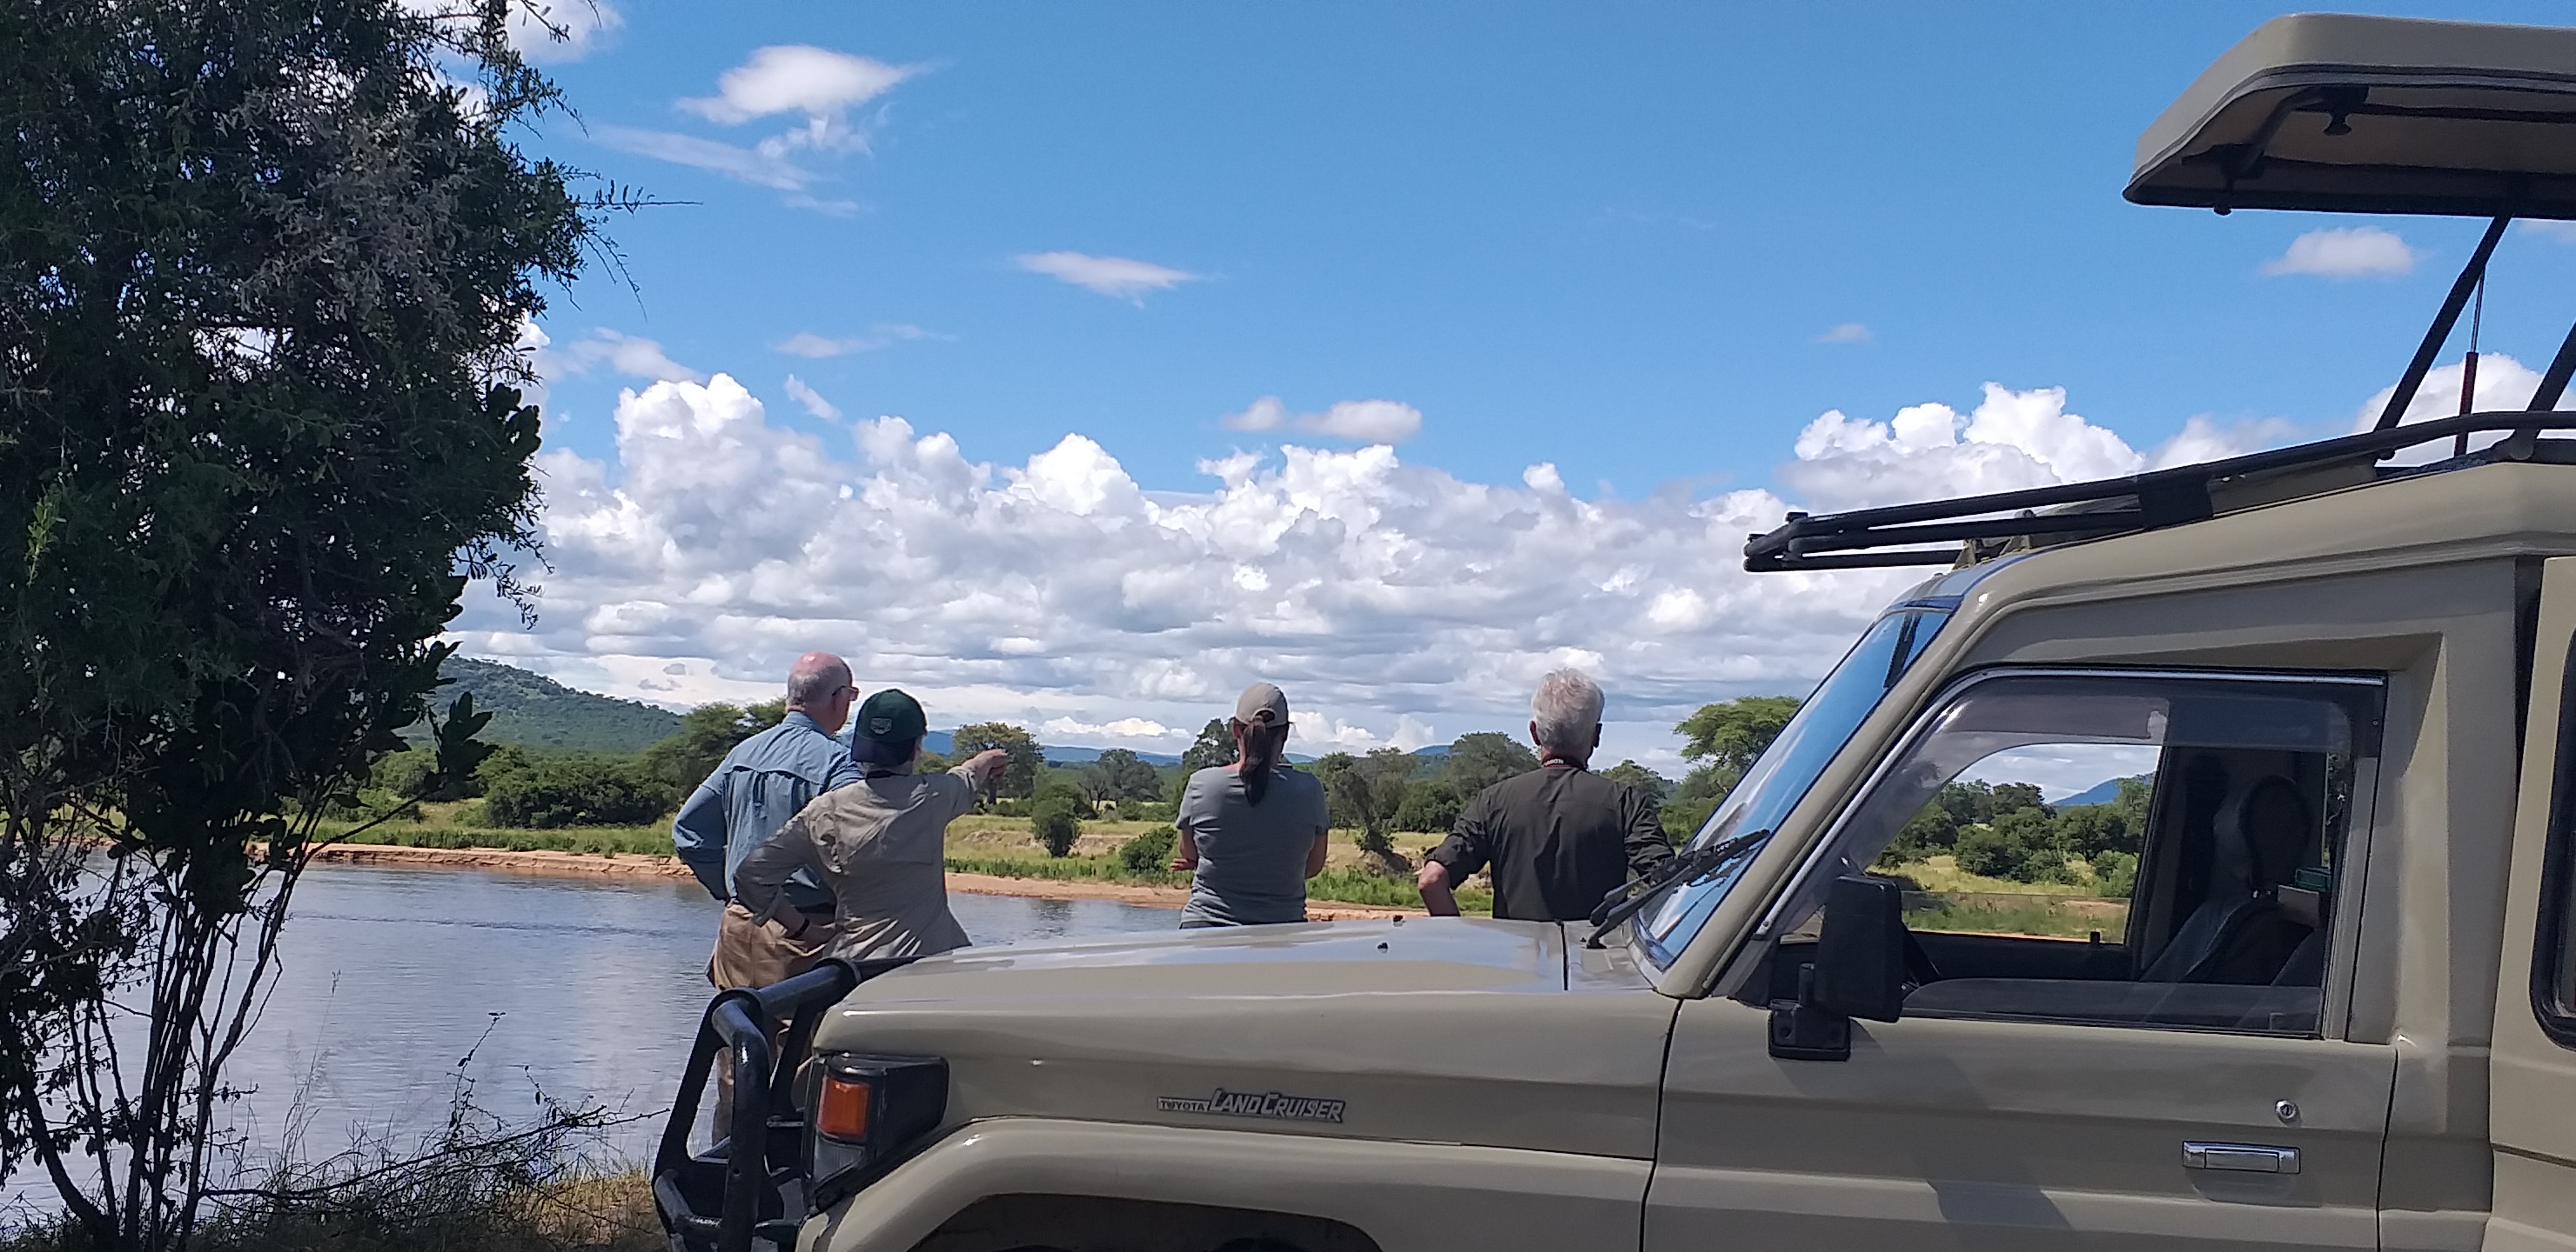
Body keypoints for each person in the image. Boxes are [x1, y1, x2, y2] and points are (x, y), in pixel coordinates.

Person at [669, 651, 862, 1136]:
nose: (851, 705)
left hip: (738, 929)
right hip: (806, 932)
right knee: (804, 1066)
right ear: (837, 699)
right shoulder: (838, 764)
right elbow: (860, 844)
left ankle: (722, 1179)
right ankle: (785, 1190)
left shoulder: (744, 753)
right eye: (852, 695)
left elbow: (689, 832)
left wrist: (732, 891)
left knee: (737, 1061)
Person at [734, 688, 1008, 960]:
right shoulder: (935, 796)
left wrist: (805, 929)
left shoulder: (826, 810)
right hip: (928, 962)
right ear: (915, 749)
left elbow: (751, 876)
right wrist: (990, 758)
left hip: (854, 967)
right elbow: (969, 774)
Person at [1417, 669, 1675, 921]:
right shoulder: (1624, 802)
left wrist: (1460, 943)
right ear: (1597, 735)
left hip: (1514, 960)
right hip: (1600, 958)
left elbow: (1432, 880)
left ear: (1535, 733)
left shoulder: (1493, 802)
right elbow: (1668, 882)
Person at [1172, 682, 1331, 927]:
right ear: (1285, 733)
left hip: (1204, 929)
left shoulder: (1202, 784)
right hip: (1281, 930)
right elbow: (1312, 867)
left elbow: (1190, 854)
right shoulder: (1309, 790)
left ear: (1236, 729)